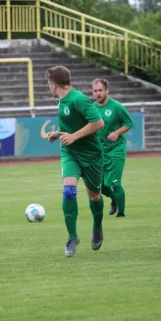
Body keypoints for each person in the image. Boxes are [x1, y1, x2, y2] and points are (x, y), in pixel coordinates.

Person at [45, 66, 105, 258]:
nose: (49, 88)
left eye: (49, 84)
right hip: (70, 153)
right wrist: (58, 134)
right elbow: (70, 128)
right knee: (69, 190)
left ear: (54, 84)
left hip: (92, 155)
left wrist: (74, 136)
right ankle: (72, 237)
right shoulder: (62, 100)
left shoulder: (78, 99)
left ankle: (97, 226)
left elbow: (98, 123)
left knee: (94, 195)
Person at [91, 78, 135, 217]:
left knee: (115, 183)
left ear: (107, 91)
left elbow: (129, 123)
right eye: (95, 91)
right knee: (100, 185)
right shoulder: (91, 108)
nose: (98, 93)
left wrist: (116, 133)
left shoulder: (116, 107)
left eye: (100, 90)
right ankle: (114, 199)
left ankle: (121, 213)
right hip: (99, 151)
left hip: (116, 150)